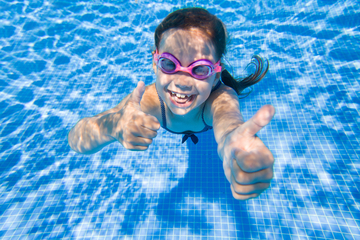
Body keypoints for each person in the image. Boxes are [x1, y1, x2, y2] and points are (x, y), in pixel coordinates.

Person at [68, 7, 276, 200]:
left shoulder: (221, 98)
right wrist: (113, 126)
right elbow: (76, 139)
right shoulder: (148, 100)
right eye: (169, 63)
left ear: (215, 75)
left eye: (200, 69)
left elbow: (229, 122)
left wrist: (233, 144)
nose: (182, 82)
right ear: (154, 63)